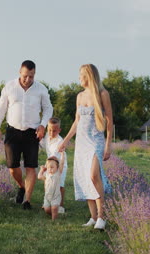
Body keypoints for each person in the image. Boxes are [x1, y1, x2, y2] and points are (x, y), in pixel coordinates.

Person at [58, 64, 113, 229]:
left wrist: (108, 145)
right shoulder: (79, 96)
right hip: (81, 142)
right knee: (84, 177)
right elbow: (77, 121)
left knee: (93, 176)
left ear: (89, 76)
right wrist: (66, 140)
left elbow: (110, 121)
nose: (79, 77)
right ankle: (93, 217)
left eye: (81, 74)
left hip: (96, 141)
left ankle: (102, 217)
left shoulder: (103, 94)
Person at [0, 60, 53, 210]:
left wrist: (42, 125)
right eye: (25, 76)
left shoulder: (41, 89)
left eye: (31, 76)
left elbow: (48, 109)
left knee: (31, 167)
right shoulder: (9, 87)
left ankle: (27, 200)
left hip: (32, 133)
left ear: (35, 74)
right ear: (20, 72)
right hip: (12, 131)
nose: (28, 80)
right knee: (12, 167)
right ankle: (21, 186)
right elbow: (1, 108)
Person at [39, 117, 67, 213]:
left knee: (59, 185)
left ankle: (61, 205)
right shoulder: (47, 136)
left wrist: (47, 166)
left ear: (59, 130)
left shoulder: (60, 141)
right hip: (51, 164)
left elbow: (54, 155)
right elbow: (42, 144)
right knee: (48, 183)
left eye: (54, 131)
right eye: (50, 130)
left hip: (60, 164)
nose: (51, 133)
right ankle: (48, 201)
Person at [37, 153, 65, 220]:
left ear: (57, 167)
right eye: (48, 167)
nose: (50, 169)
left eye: (52, 167)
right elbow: (39, 177)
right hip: (47, 197)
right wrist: (41, 170)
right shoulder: (46, 175)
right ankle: (54, 212)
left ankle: (54, 220)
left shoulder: (57, 174)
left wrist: (62, 155)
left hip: (56, 196)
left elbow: (61, 163)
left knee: (54, 208)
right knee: (46, 209)